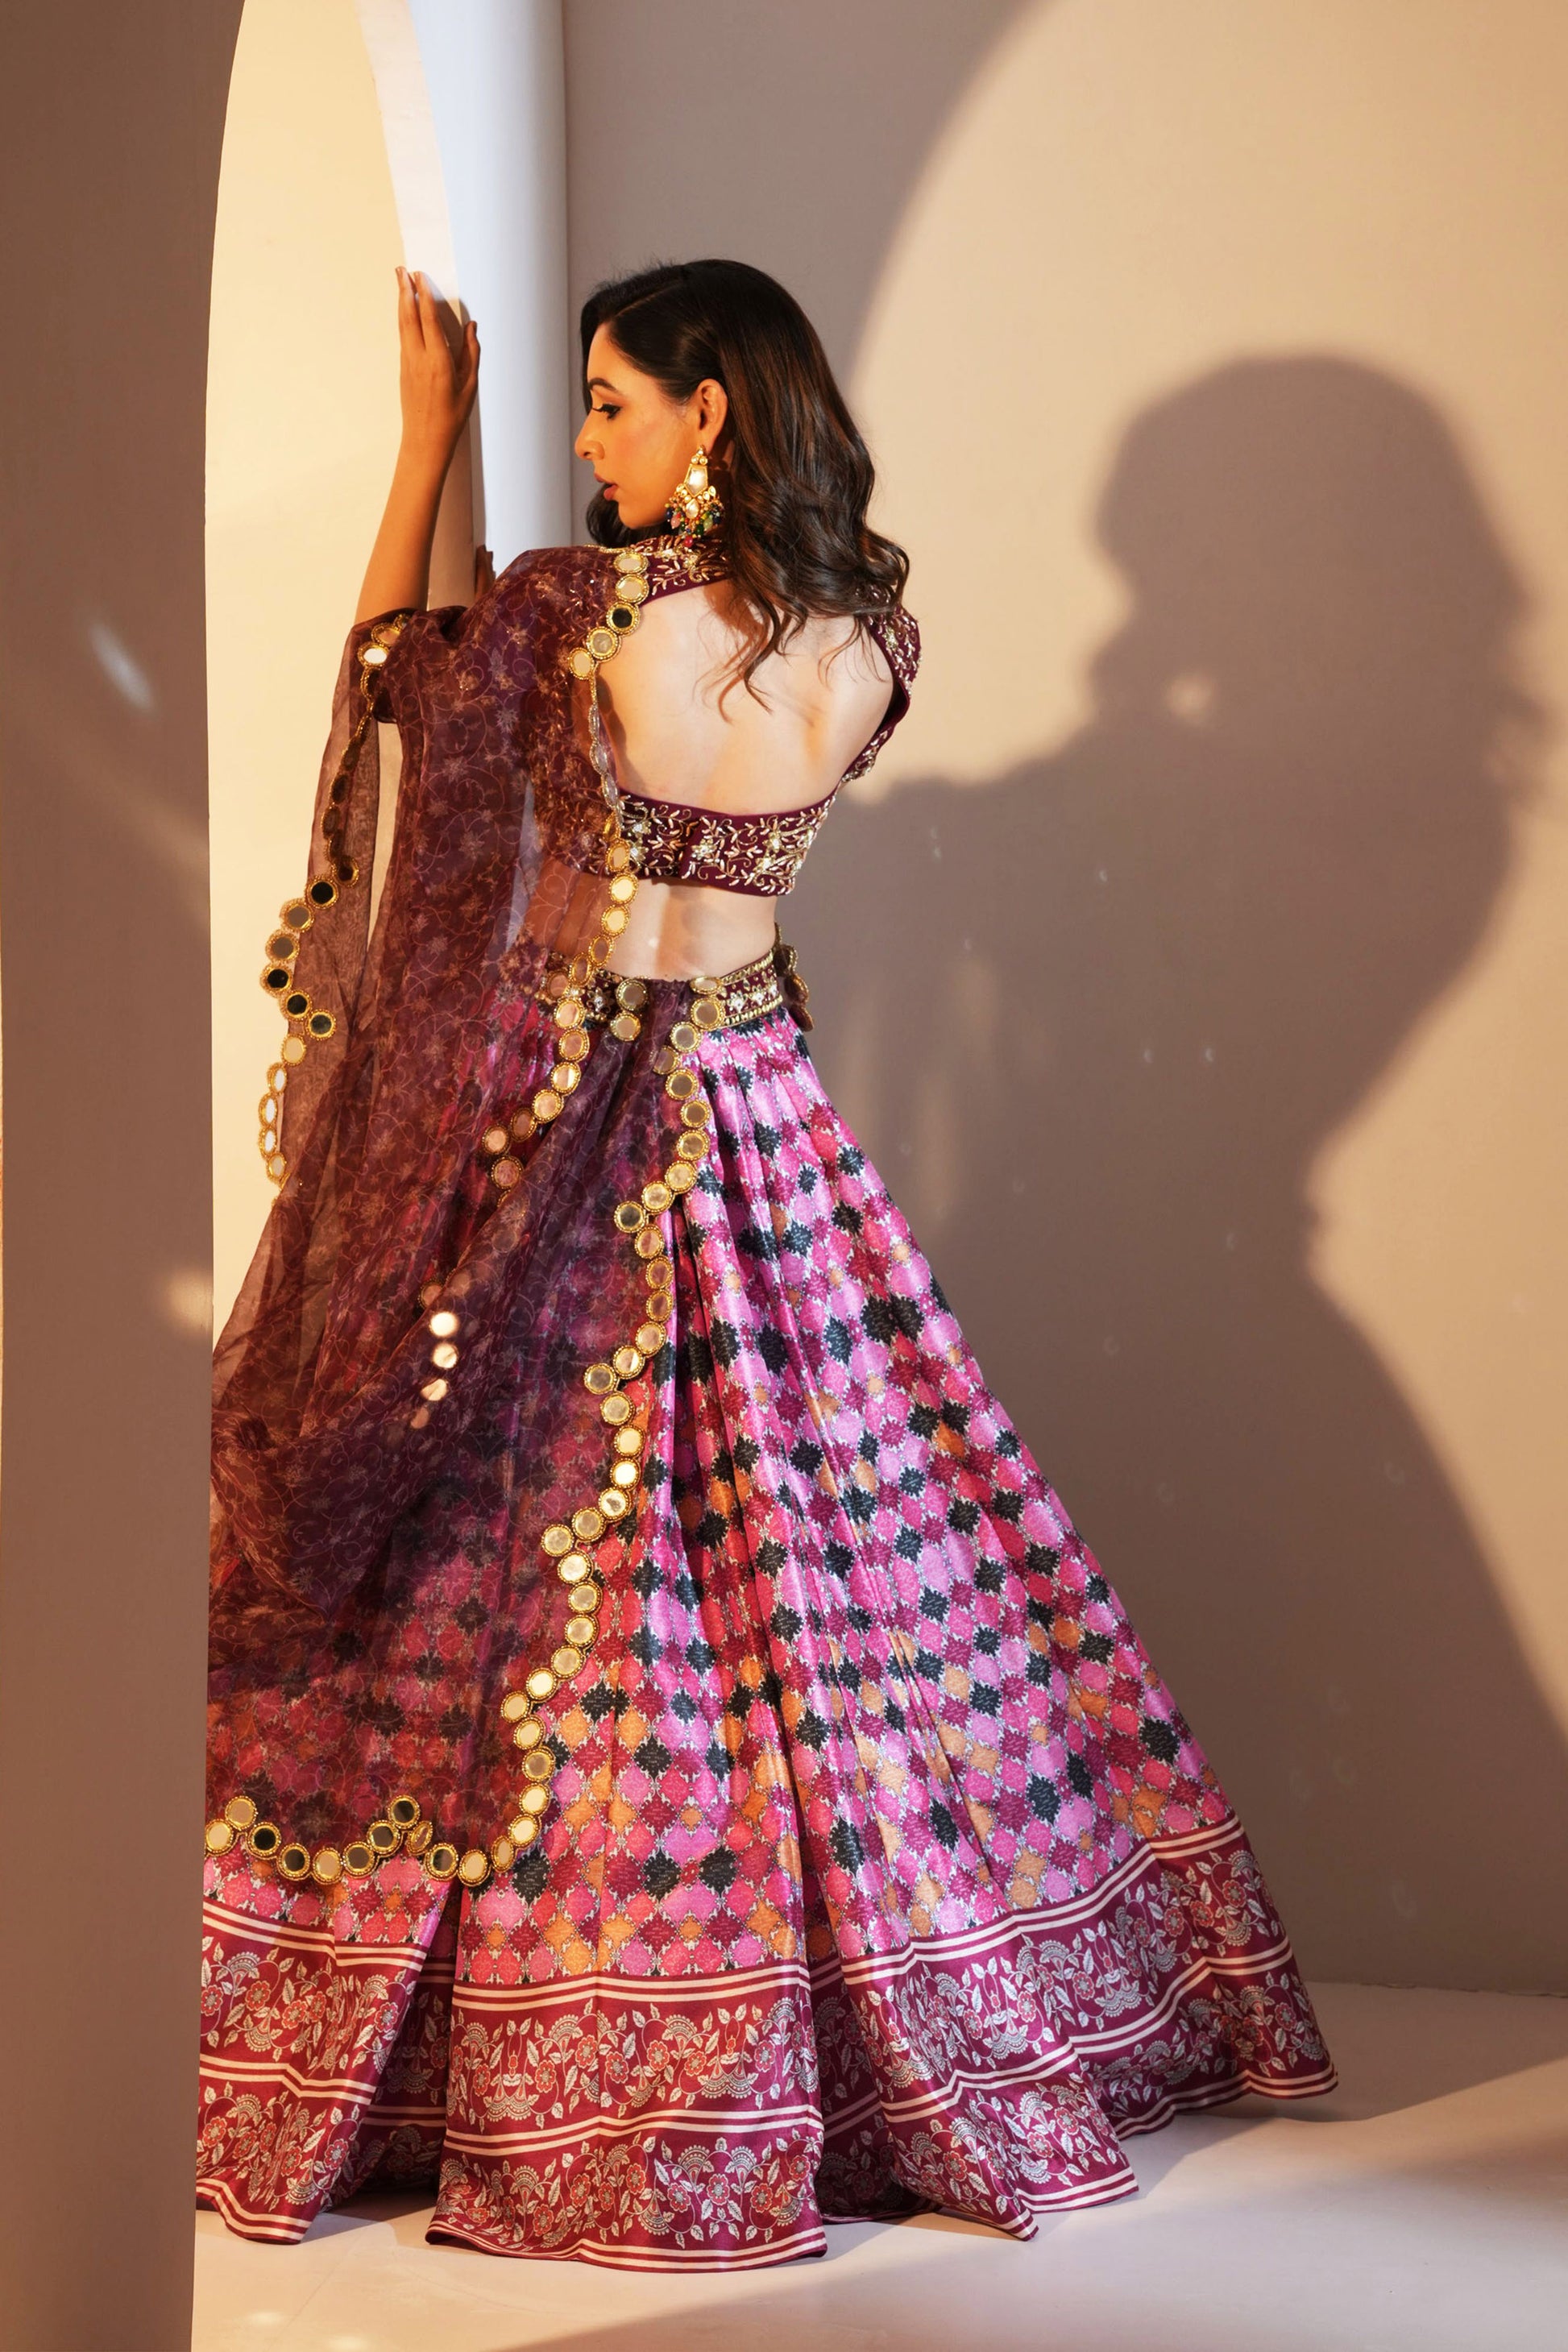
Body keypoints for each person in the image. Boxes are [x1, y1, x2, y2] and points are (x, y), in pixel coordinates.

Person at [197, 258, 1333, 2268]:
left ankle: (506, 2053)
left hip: (558, 1127)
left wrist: (427, 443)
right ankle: (905, 2011)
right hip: (766, 1121)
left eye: (611, 400)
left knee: (493, 1573)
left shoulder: (579, 613)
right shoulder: (873, 639)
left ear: (709, 409)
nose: (590, 440)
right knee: (840, 1573)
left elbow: (396, 698)